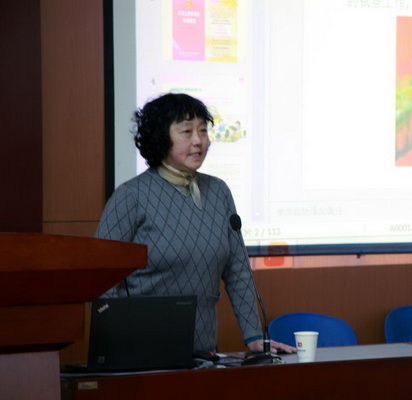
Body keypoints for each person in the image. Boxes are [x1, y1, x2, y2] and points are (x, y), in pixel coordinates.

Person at [96, 93, 295, 356]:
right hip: (140, 351)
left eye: (203, 130)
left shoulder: (218, 191)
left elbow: (237, 270)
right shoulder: (131, 196)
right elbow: (101, 276)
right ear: (160, 137)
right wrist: (120, 337)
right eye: (186, 131)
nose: (198, 141)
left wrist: (254, 336)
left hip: (203, 351)